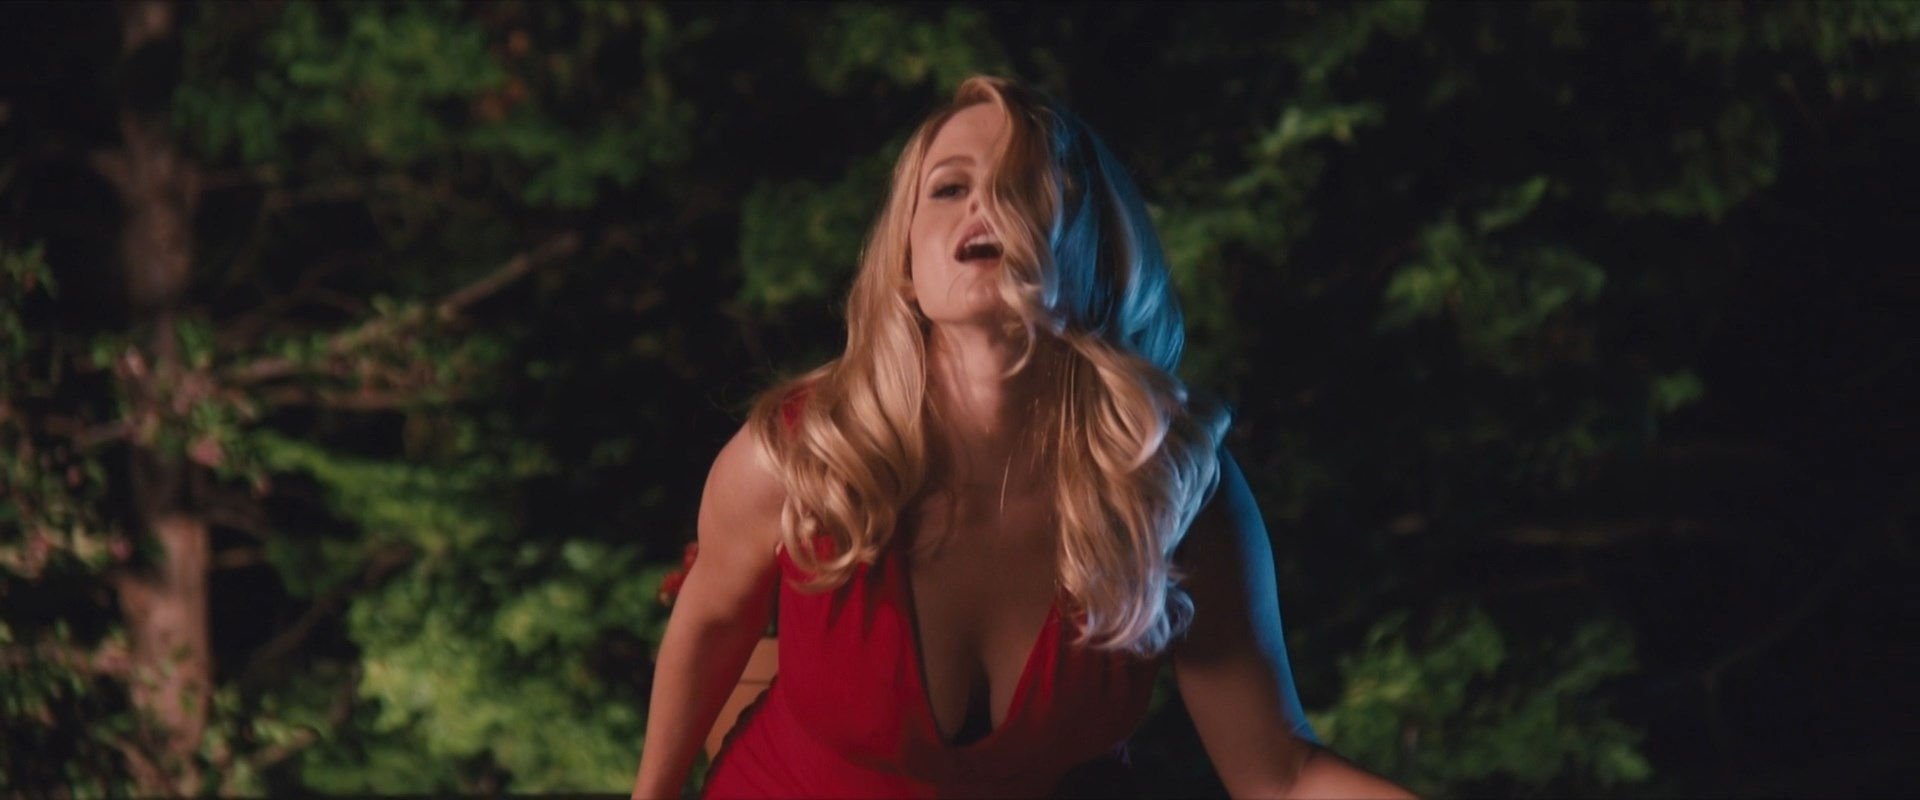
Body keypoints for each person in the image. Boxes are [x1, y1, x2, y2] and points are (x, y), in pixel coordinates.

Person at [631, 75, 1414, 799]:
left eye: (1030, 187)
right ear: (906, 266)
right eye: (950, 187)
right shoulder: (799, 456)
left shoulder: (1171, 489)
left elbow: (1277, 772)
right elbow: (713, 620)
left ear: (1096, 255)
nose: (988, 205)